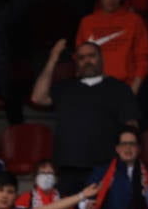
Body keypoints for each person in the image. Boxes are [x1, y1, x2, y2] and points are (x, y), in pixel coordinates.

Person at [30, 39, 139, 195]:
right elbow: (37, 98)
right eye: (81, 58)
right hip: (67, 168)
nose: (87, 61)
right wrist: (53, 58)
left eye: (91, 56)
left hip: (104, 167)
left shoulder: (119, 89)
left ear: (101, 59)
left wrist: (125, 162)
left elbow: (131, 126)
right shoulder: (65, 87)